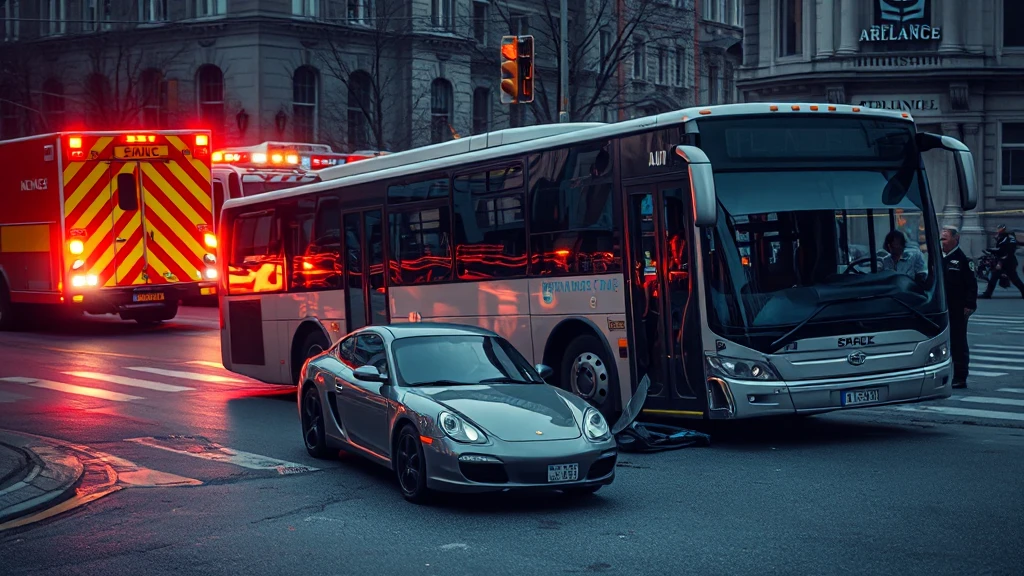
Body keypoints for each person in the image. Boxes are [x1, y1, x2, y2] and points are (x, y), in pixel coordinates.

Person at [940, 225, 977, 389]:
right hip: (942, 307)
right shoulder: (939, 257)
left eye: (945, 238)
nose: (942, 242)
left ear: (956, 239)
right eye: (941, 239)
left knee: (958, 342)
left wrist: (970, 305)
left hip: (957, 308)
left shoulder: (963, 260)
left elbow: (972, 285)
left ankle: (960, 376)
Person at [980, 224, 1024, 299]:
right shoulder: (1003, 238)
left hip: (1008, 262)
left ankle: (988, 294)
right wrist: (992, 250)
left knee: (1014, 279)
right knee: (995, 277)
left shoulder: (1009, 238)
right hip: (1005, 261)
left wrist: (993, 252)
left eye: (1000, 229)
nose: (998, 231)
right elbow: (1000, 249)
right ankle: (987, 294)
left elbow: (1005, 251)